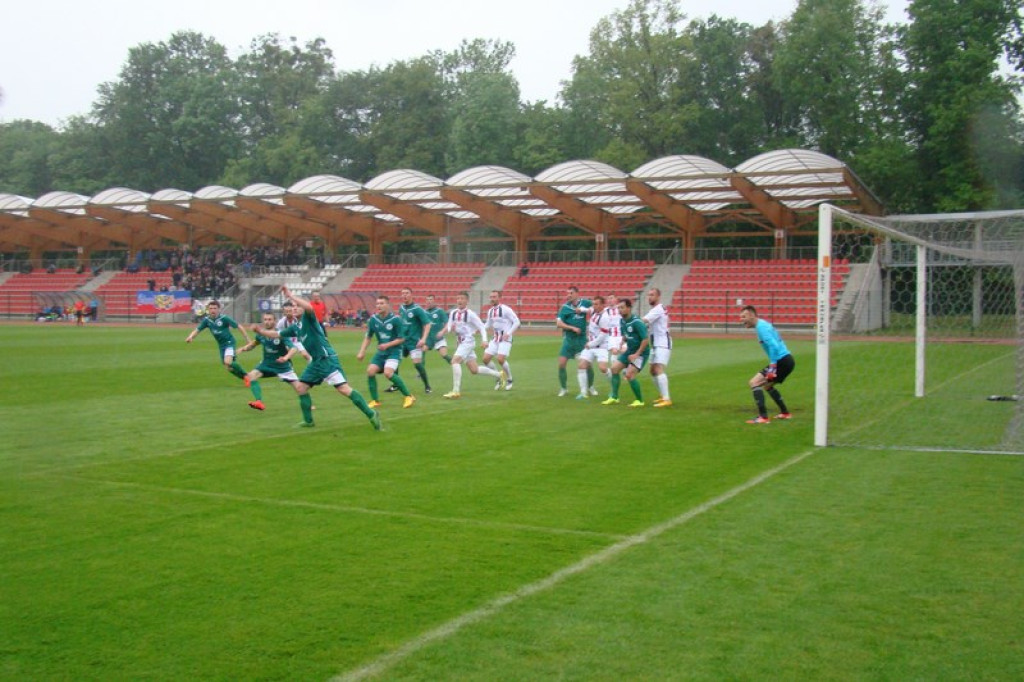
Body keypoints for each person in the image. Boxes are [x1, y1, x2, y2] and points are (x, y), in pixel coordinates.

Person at [249, 285, 381, 430]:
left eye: (297, 306)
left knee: (343, 389)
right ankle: (308, 421)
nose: (294, 308)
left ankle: (371, 413)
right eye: (293, 307)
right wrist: (260, 331)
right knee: (301, 388)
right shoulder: (295, 327)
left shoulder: (308, 318)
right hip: (316, 362)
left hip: (326, 359)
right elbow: (277, 334)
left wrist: (291, 296)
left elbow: (310, 308)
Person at [356, 295, 416, 409]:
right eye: (377, 304)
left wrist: (387, 345)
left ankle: (408, 396)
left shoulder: (396, 319)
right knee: (370, 371)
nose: (379, 306)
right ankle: (375, 400)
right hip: (381, 353)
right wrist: (362, 351)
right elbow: (368, 337)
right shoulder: (373, 319)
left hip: (394, 351)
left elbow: (401, 339)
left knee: (388, 373)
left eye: (382, 303)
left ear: (388, 305)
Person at [443, 291, 505, 398]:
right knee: (474, 370)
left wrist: (484, 340)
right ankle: (499, 374)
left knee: (455, 361)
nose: (459, 301)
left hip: (468, 341)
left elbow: (481, 327)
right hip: (459, 342)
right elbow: (449, 324)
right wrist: (448, 329)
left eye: (462, 298)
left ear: (467, 301)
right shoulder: (453, 313)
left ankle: (456, 391)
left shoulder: (471, 314)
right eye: (458, 298)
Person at [739, 305, 795, 424]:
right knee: (768, 386)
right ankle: (785, 413)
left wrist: (773, 367)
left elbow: (774, 346)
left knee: (754, 383)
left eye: (743, 316)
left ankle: (763, 417)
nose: (741, 319)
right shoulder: (762, 325)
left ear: (751, 315)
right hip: (787, 360)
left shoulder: (761, 328)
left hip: (781, 361)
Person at [239, 312, 302, 411]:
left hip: (282, 366)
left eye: (269, 319)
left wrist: (286, 358)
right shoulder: (261, 335)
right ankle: (259, 402)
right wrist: (244, 348)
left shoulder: (281, 334)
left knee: (300, 388)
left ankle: (309, 405)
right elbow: (255, 343)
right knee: (250, 376)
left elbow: (293, 348)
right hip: (266, 364)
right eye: (265, 320)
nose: (267, 322)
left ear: (275, 321)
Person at [185, 300, 251, 382]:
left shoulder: (224, 318)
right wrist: (191, 337)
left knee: (227, 362)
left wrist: (247, 339)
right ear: (208, 310)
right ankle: (245, 378)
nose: (213, 310)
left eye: (215, 308)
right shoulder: (207, 320)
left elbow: (239, 326)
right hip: (221, 345)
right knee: (228, 368)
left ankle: (247, 375)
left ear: (219, 309)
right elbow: (198, 330)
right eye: (211, 308)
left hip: (229, 342)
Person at [602, 298, 649, 407]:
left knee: (629, 374)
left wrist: (636, 355)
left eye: (622, 307)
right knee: (614, 369)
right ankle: (614, 397)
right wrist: (623, 341)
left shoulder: (637, 322)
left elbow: (645, 340)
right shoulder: (622, 321)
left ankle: (639, 401)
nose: (620, 310)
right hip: (630, 351)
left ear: (629, 308)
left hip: (641, 353)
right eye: (618, 308)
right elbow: (626, 334)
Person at [397, 287, 433, 393]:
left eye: (407, 293)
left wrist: (423, 339)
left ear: (411, 295)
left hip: (414, 342)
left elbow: (427, 324)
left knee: (417, 364)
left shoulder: (417, 309)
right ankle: (395, 384)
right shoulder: (401, 308)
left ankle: (427, 386)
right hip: (403, 341)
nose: (404, 295)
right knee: (394, 361)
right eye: (403, 293)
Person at [575, 295, 613, 399]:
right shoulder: (593, 311)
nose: (594, 306)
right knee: (581, 366)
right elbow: (587, 309)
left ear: (602, 305)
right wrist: (580, 309)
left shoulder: (605, 317)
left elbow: (602, 336)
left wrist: (590, 344)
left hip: (601, 346)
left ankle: (614, 388)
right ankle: (583, 392)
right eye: (593, 304)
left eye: (596, 304)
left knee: (603, 368)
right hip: (591, 346)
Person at [555, 285, 590, 396]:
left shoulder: (586, 303)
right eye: (567, 293)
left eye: (571, 293)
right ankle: (564, 388)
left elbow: (596, 309)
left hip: (581, 341)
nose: (568, 295)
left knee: (586, 365)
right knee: (561, 364)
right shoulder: (565, 308)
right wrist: (572, 328)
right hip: (569, 340)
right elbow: (558, 323)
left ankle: (591, 387)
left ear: (577, 294)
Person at [482, 289, 519, 391]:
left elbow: (517, 321)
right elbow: (488, 324)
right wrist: (480, 329)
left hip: (505, 339)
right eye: (491, 297)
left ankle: (510, 379)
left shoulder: (506, 309)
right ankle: (498, 377)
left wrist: (509, 333)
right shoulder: (490, 311)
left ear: (499, 298)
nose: (492, 299)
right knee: (485, 359)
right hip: (495, 338)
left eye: (494, 297)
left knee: (500, 359)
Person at [643, 288, 673, 407]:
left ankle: (667, 399)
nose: (649, 297)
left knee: (658, 368)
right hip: (655, 343)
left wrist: (631, 322)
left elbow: (644, 321)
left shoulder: (658, 309)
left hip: (662, 342)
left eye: (652, 295)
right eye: (648, 295)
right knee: (652, 371)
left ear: (658, 297)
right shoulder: (656, 309)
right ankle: (662, 395)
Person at [423, 294, 452, 365]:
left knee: (444, 355)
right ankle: (421, 372)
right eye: (427, 300)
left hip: (438, 338)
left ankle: (454, 363)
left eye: (431, 300)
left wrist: (442, 332)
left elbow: (447, 324)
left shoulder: (439, 311)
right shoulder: (424, 312)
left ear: (434, 301)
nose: (429, 301)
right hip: (428, 339)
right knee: (422, 352)